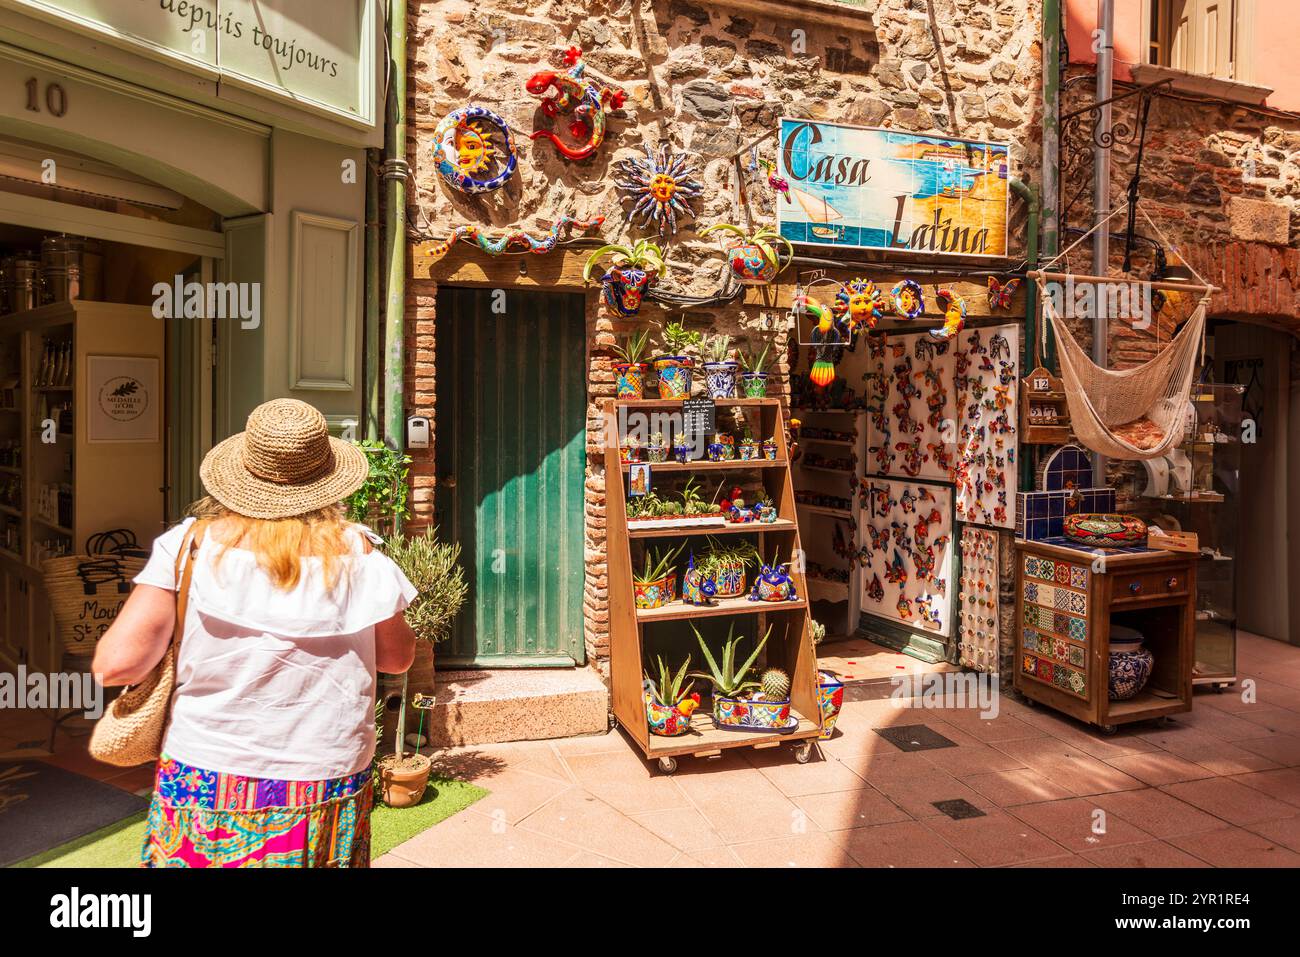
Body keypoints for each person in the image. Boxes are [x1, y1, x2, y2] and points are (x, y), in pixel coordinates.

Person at [92, 398, 417, 867]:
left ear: (240, 476)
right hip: (327, 769)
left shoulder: (189, 546)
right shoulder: (362, 553)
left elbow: (114, 665)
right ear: (327, 483)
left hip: (207, 767)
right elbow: (397, 658)